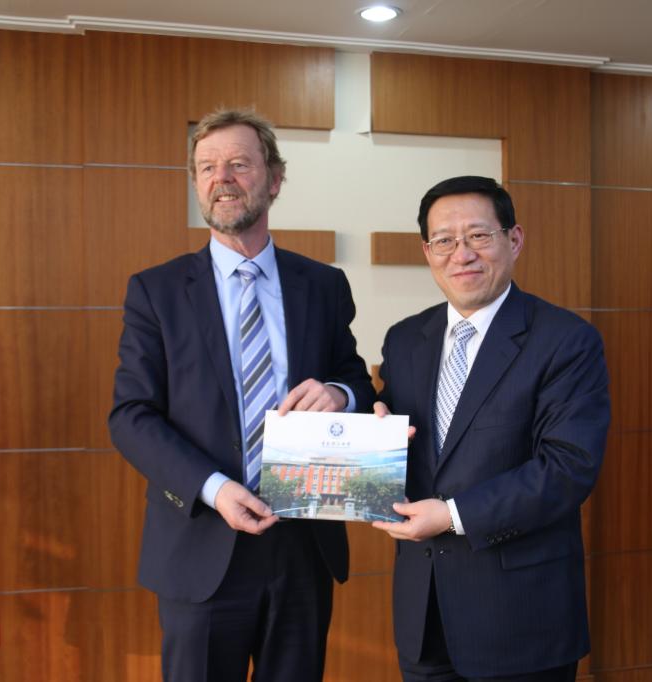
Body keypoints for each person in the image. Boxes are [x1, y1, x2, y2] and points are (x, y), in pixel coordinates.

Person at [109, 109, 376, 681]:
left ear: (275, 179)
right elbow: (131, 416)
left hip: (303, 541)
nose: (221, 178)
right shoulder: (156, 291)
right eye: (206, 167)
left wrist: (338, 394)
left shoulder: (323, 285)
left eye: (238, 164)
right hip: (201, 540)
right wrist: (215, 488)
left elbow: (355, 378)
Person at [372, 176, 610, 681]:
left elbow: (567, 469)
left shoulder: (566, 341)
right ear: (427, 252)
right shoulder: (405, 339)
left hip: (521, 620)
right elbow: (401, 441)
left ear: (514, 239)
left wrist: (452, 515)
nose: (462, 254)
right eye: (444, 240)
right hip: (424, 618)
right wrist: (369, 435)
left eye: (479, 236)